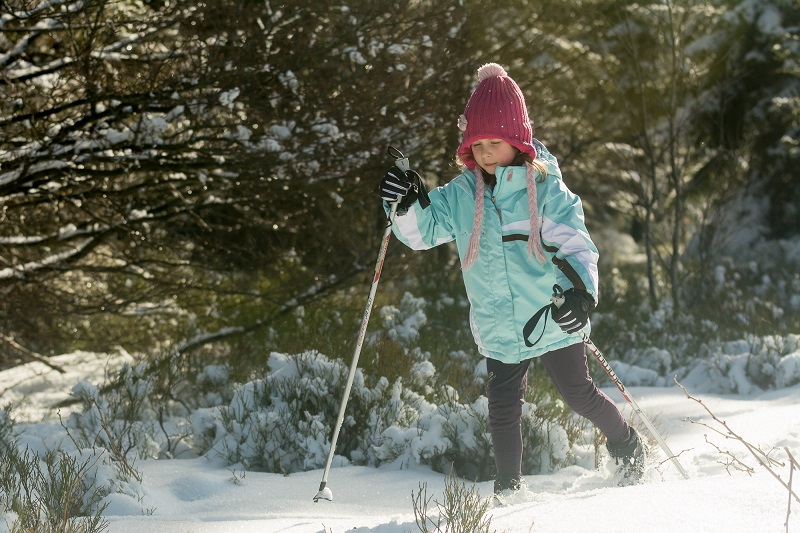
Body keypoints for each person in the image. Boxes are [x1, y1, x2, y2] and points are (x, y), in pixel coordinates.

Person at [379, 63, 645, 496]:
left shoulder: (545, 189)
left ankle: (626, 443)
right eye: (477, 144)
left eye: (494, 143)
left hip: (552, 315)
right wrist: (406, 203)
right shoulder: (462, 195)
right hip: (500, 322)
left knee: (578, 395)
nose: (485, 153)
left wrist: (581, 294)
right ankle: (508, 490)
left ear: (517, 141)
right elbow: (422, 233)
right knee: (502, 409)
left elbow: (576, 244)